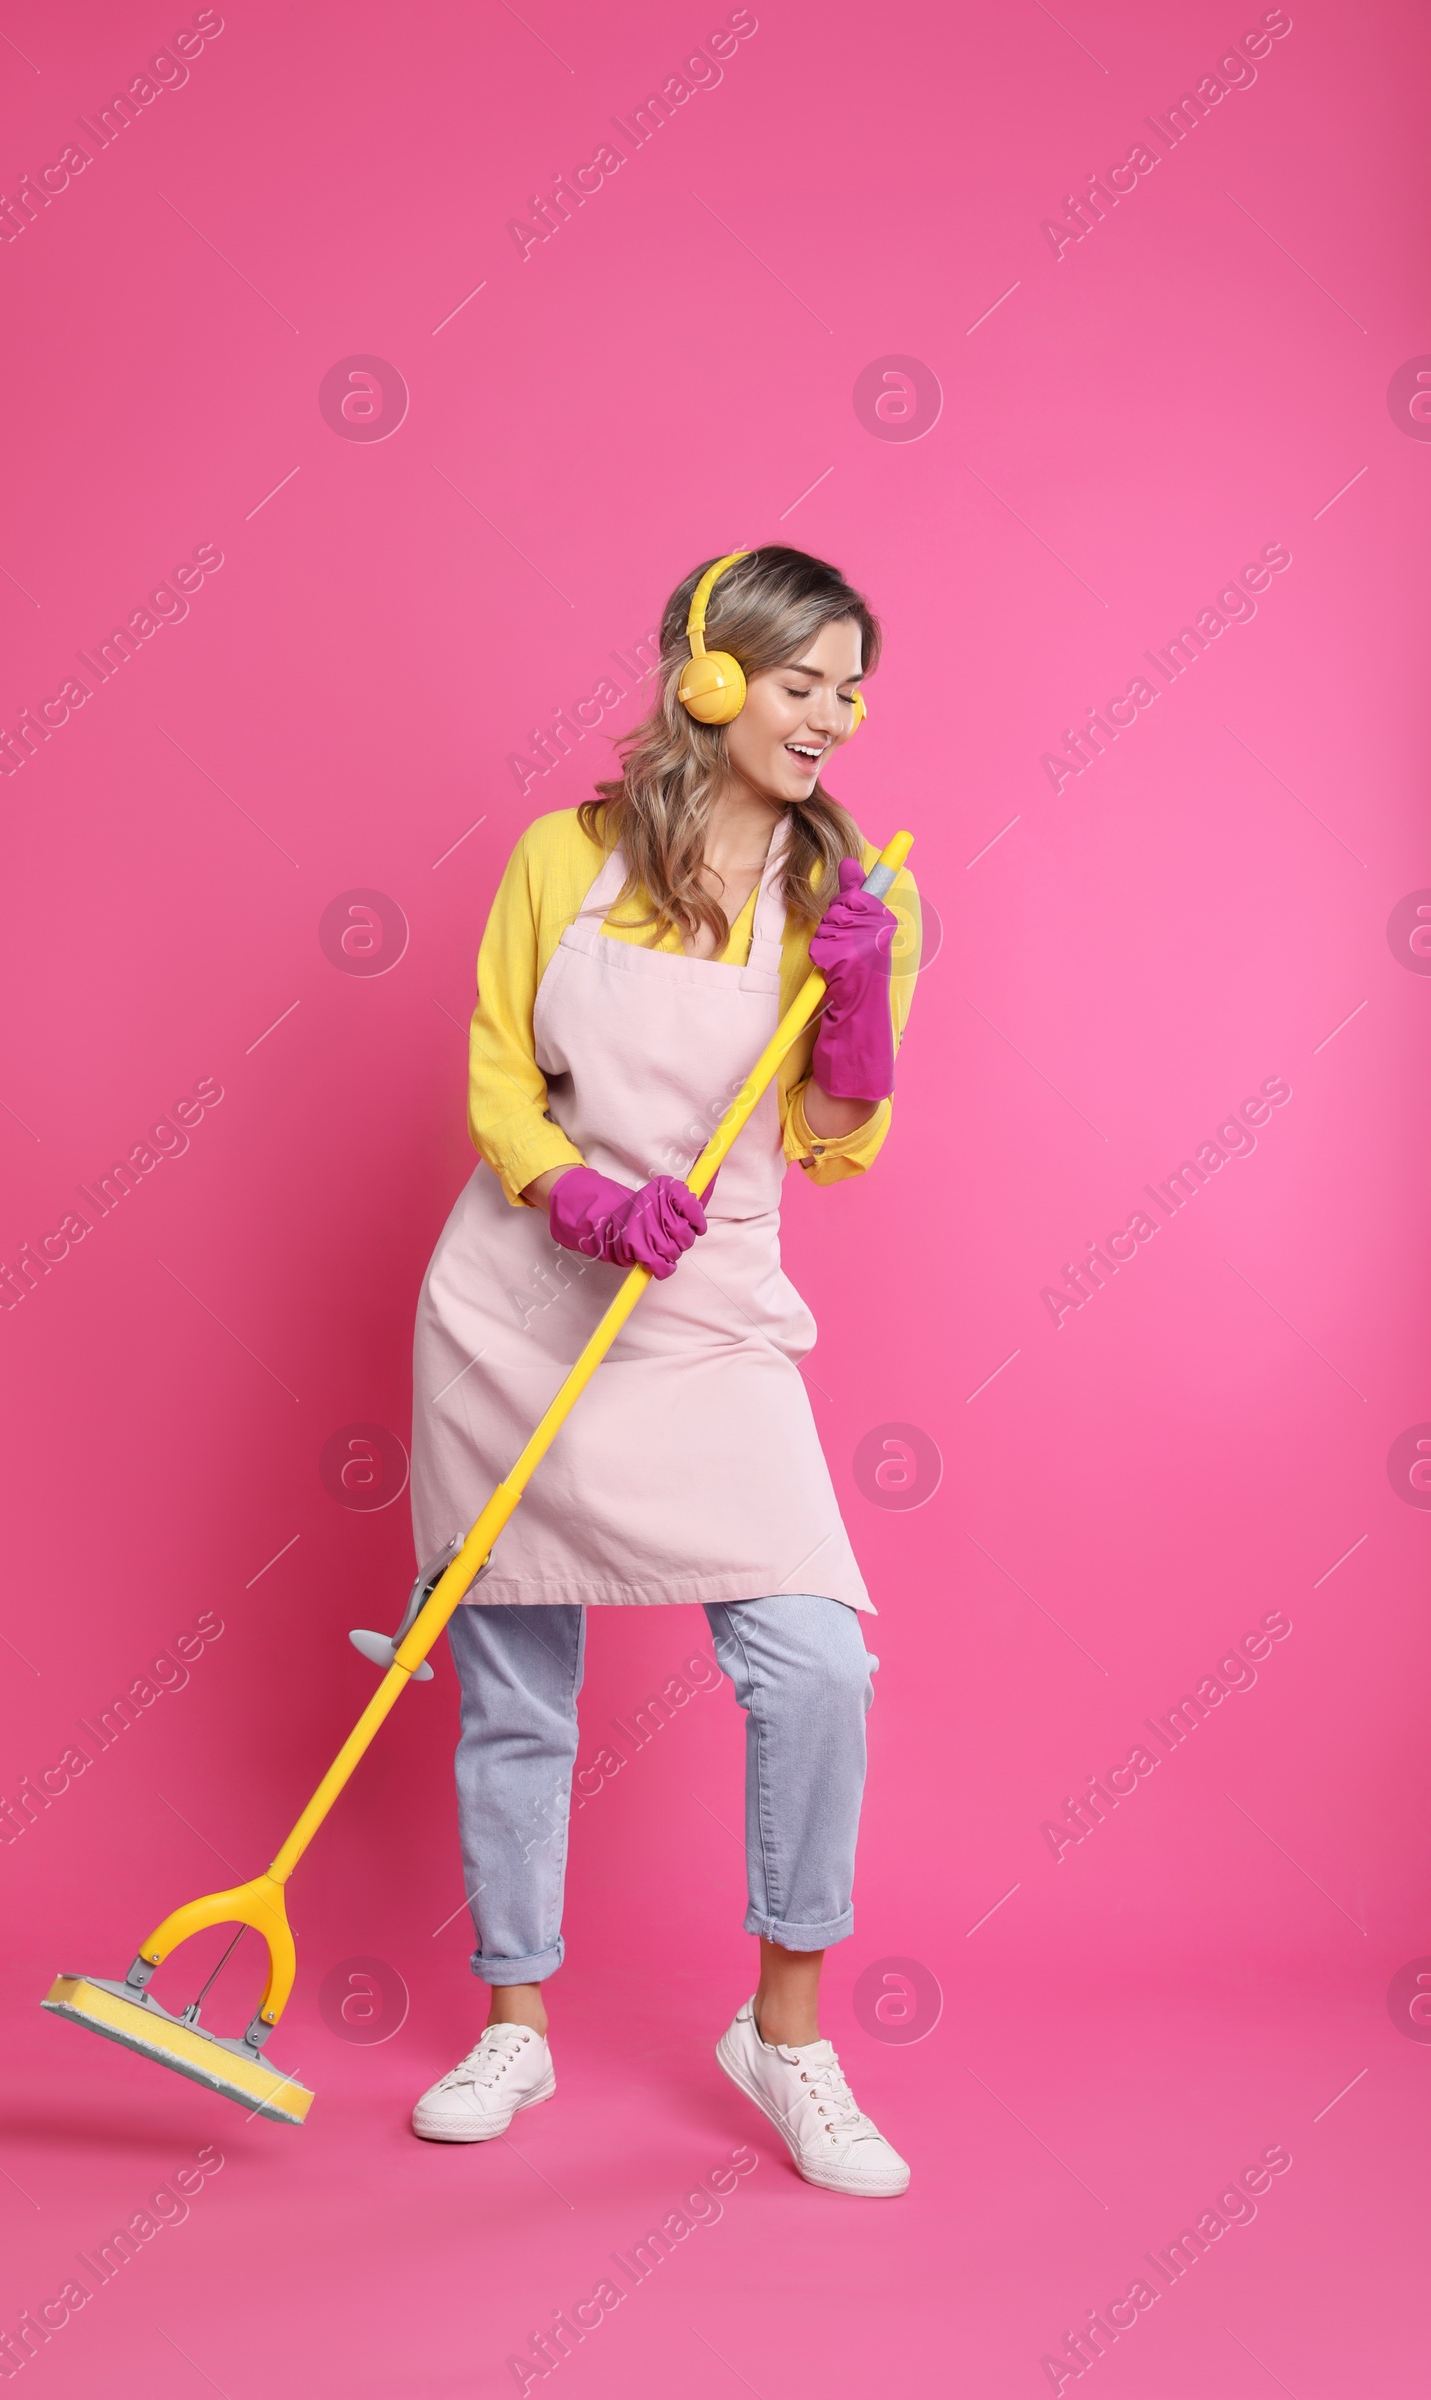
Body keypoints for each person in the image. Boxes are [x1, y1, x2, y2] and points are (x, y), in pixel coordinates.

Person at [406, 546, 920, 2197]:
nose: (834, 715)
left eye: (852, 687)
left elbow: (839, 1146)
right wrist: (577, 1193)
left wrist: (855, 1005)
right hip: (521, 1308)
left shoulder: (860, 890)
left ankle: (784, 2036)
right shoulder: (564, 859)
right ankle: (515, 2020)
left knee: (819, 1668)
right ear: (708, 680)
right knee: (514, 1692)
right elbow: (501, 1081)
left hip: (707, 1321)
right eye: (802, 680)